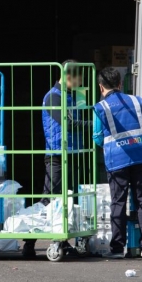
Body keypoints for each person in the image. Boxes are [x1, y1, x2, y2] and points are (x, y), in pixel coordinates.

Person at [22, 59, 92, 257]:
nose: (80, 82)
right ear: (67, 76)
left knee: (70, 201)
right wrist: (93, 123)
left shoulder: (74, 96)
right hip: (56, 155)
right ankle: (29, 242)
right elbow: (68, 123)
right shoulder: (53, 97)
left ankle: (64, 239)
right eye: (78, 78)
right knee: (49, 200)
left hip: (74, 153)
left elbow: (79, 115)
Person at [92, 67, 142, 259]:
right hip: (141, 156)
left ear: (101, 87)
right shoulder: (138, 101)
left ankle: (118, 249)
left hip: (117, 160)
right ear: (120, 84)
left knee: (118, 203)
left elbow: (97, 138)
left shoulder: (100, 107)